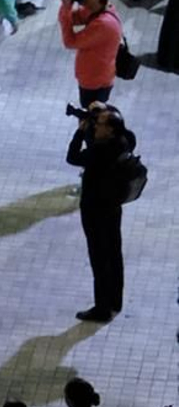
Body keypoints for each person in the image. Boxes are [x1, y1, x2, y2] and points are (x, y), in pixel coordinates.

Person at [67, 107, 146, 324]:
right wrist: (103, 117)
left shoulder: (99, 152)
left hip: (94, 209)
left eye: (99, 124)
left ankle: (102, 308)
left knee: (99, 258)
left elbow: (73, 157)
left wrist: (79, 133)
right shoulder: (124, 141)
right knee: (113, 253)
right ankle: (115, 301)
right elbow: (123, 134)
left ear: (110, 130)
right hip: (112, 207)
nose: (95, 126)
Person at [59, 0, 125, 107]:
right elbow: (73, 18)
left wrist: (65, 12)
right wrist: (67, 7)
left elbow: (70, 42)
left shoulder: (103, 24)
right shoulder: (101, 8)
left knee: (91, 119)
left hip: (95, 81)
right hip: (96, 76)